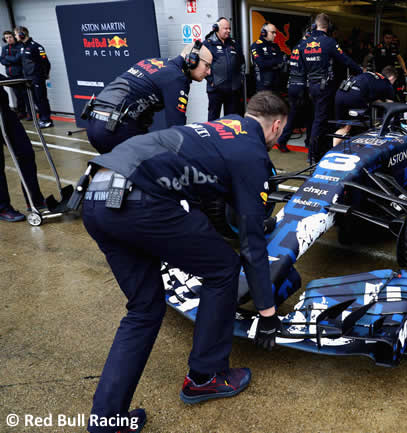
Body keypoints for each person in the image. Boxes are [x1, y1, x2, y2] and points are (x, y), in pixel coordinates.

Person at [81, 91, 287, 433]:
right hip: (140, 201)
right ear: (276, 126)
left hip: (95, 193)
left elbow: (204, 187)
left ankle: (107, 420)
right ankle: (205, 376)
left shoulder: (223, 125)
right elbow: (252, 244)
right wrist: (267, 313)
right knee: (222, 267)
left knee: (144, 309)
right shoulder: (252, 152)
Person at [85, 42, 212, 154]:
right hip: (114, 129)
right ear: (193, 60)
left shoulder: (153, 62)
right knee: (152, 167)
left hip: (93, 123)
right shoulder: (177, 78)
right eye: (207, 65)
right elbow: (176, 128)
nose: (209, 72)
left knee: (115, 172)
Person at [301, 13, 362, 163]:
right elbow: (345, 59)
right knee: (321, 120)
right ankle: (313, 155)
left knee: (316, 118)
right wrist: (361, 71)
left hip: (310, 86)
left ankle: (319, 149)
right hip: (325, 87)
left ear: (315, 25)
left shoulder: (304, 43)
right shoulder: (329, 42)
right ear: (328, 26)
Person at [0, 75, 48, 222]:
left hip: (4, 112)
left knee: (25, 153)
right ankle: (2, 207)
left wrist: (22, 82)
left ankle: (34, 199)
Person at [276, 28, 312, 153]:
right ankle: (307, 142)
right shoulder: (307, 48)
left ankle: (285, 140)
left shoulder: (296, 47)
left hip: (292, 84)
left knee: (297, 115)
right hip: (302, 85)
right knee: (305, 115)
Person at [204, 17, 245, 120]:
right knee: (213, 118)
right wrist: (211, 81)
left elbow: (241, 63)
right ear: (217, 28)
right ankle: (213, 136)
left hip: (232, 90)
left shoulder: (234, 44)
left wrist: (239, 80)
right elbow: (202, 66)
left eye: (229, 28)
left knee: (230, 120)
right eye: (225, 28)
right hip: (215, 89)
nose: (228, 31)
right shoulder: (208, 44)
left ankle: (229, 136)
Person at [14, 26, 52, 128]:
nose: (15, 37)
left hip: (37, 77)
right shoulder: (22, 47)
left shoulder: (36, 47)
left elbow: (46, 62)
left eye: (16, 34)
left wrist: (45, 74)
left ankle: (47, 120)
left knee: (41, 99)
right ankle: (42, 118)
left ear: (22, 34)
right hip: (28, 78)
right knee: (35, 100)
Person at [250, 23, 286, 93]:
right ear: (264, 33)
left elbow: (281, 62)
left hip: (276, 86)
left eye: (275, 33)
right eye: (273, 32)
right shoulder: (256, 45)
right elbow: (261, 63)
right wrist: (275, 62)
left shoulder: (275, 46)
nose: (275, 35)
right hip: (263, 86)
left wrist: (269, 62)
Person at [0, 31, 27, 118]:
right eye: (7, 38)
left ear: (14, 37)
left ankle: (30, 113)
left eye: (10, 37)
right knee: (18, 96)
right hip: (11, 76)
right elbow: (2, 61)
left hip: (20, 75)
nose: (9, 39)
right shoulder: (4, 48)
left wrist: (7, 58)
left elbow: (17, 59)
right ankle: (21, 112)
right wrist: (10, 59)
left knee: (25, 95)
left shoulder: (20, 46)